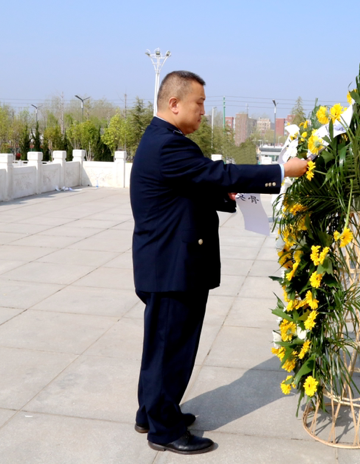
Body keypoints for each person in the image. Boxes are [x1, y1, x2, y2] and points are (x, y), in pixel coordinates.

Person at [130, 70, 307, 455]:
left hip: (167, 263)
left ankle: (152, 412)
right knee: (171, 349)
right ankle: (164, 429)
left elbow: (195, 186)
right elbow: (219, 173)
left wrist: (228, 197)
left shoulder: (164, 140)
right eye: (199, 103)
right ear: (174, 103)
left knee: (161, 346)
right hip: (173, 268)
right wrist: (282, 171)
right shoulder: (168, 145)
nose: (202, 111)